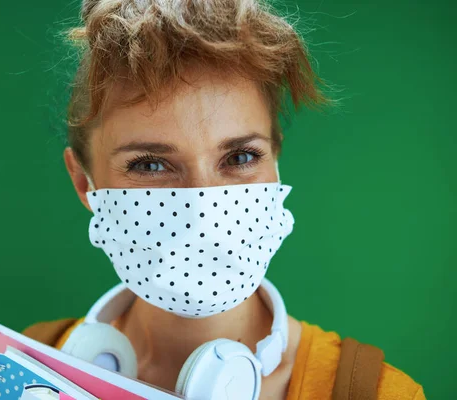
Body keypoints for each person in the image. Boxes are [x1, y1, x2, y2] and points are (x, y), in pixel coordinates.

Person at [24, 1, 425, 398]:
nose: (203, 210)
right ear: (84, 182)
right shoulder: (26, 369)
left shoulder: (376, 393)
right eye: (149, 166)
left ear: (276, 159)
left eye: (240, 157)